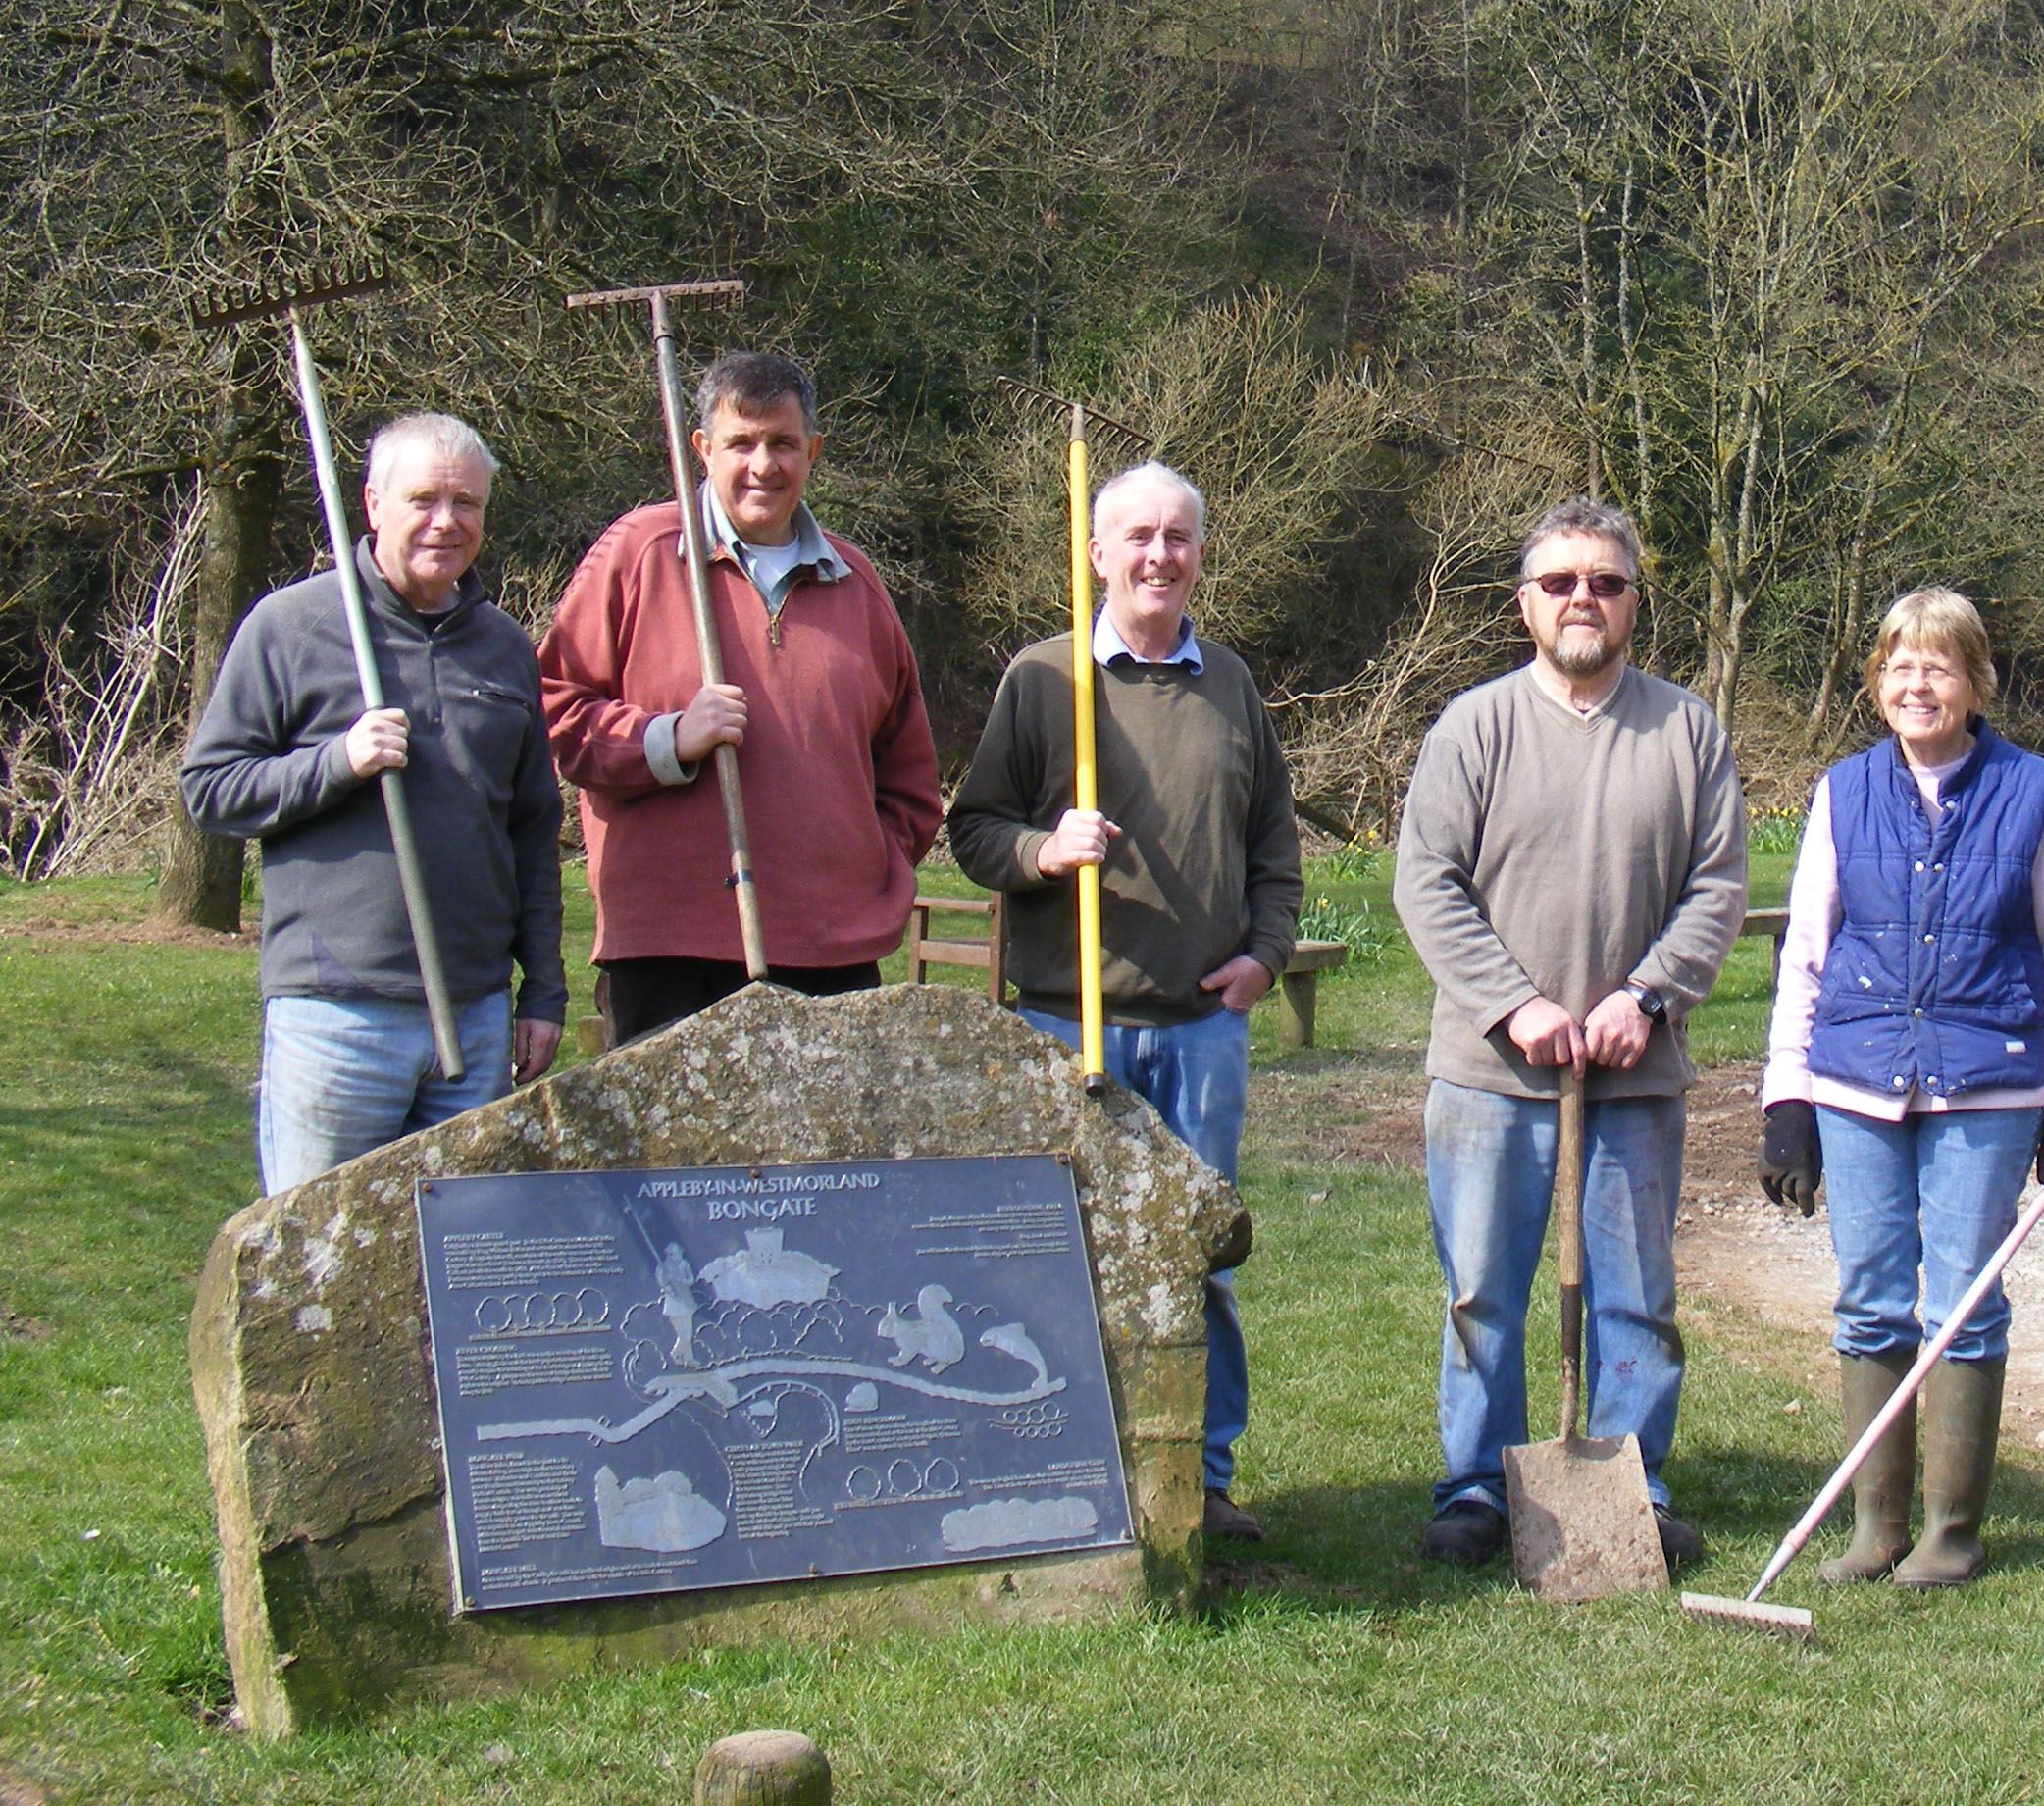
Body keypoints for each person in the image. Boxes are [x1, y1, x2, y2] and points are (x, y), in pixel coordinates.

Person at [948, 460, 1303, 1542]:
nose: (1159, 555)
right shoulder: (1045, 680)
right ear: (1096, 553)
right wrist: (1046, 850)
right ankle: (1058, 1469)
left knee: (1204, 1259)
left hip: (1200, 1035)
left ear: (1200, 553)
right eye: (1137, 536)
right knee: (1057, 1261)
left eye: (1179, 537)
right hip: (1068, 1022)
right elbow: (973, 831)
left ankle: (1201, 1478)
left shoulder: (1231, 686)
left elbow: (1274, 849)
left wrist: (1266, 957)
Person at [1395, 499, 1747, 1572]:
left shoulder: (1687, 731)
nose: (1583, 599)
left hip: (1634, 1076)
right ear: (1524, 605)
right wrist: (1518, 1004)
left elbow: (1718, 886)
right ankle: (1478, 1488)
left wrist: (1646, 997)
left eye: (1606, 582)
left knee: (1637, 1297)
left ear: (1635, 600)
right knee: (1483, 1288)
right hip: (1490, 1072)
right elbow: (1426, 883)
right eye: (1560, 584)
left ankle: (1633, 1484)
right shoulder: (1475, 727)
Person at [1757, 585, 2044, 1588]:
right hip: (1856, 1083)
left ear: (1975, 683)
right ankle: (1876, 1528)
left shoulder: (2034, 792)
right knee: (1869, 1304)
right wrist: (1787, 1100)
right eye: (1900, 666)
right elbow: (1807, 957)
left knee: (1965, 1304)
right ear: (1876, 684)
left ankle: (1952, 1532)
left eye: (1940, 666)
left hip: (1987, 1086)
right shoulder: (1842, 792)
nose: (1919, 684)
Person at [181, 413, 567, 1193]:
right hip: (337, 1016)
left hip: (476, 1012)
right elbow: (210, 790)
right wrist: (337, 761)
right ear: (372, 504)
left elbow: (532, 830)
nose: (445, 521)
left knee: (461, 1269)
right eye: (423, 498)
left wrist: (544, 991)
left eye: (467, 503)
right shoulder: (292, 627)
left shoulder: (503, 645)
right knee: (315, 1261)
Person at [539, 349, 942, 1042]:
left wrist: (865, 864)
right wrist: (665, 742)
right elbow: (552, 710)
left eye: (783, 443)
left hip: (831, 955)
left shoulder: (857, 582)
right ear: (702, 448)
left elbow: (910, 779)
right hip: (670, 950)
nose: (764, 465)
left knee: (836, 1155)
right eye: (741, 444)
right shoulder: (642, 551)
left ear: (813, 450)